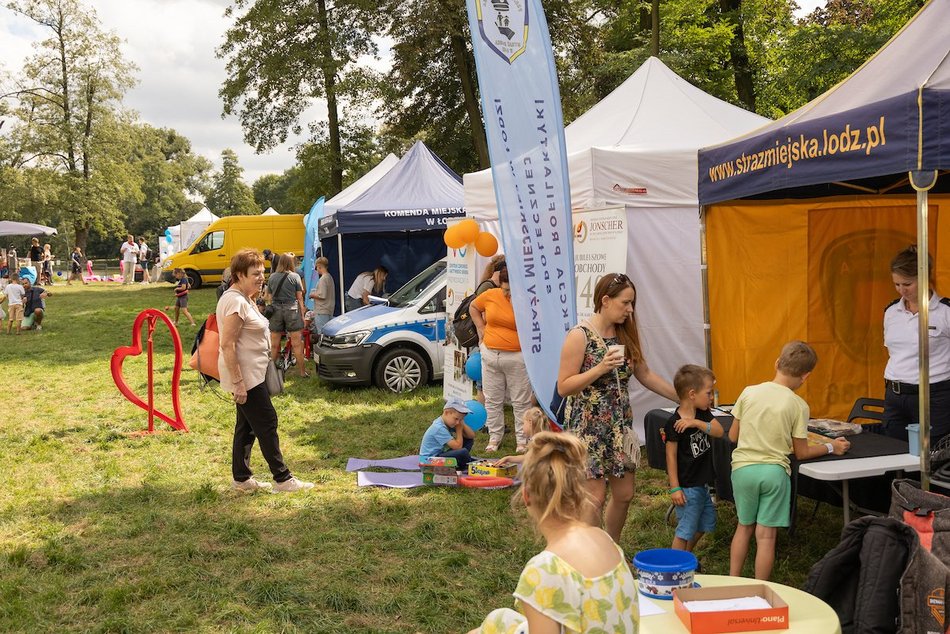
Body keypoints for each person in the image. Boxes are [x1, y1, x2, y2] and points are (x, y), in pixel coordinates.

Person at [468, 432, 639, 634]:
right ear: (579, 491)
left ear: (526, 496)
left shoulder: (546, 569)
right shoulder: (605, 539)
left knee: (492, 625)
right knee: (499, 619)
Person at [557, 273, 677, 543]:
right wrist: (600, 369)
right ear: (606, 300)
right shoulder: (580, 335)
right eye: (626, 303)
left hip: (619, 427)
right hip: (588, 428)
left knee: (624, 495)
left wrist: (682, 397)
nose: (630, 309)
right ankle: (589, 555)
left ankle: (611, 547)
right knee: (594, 497)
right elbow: (564, 386)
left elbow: (645, 374)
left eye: (632, 303)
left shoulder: (625, 333)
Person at [728, 341, 850, 580]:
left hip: (743, 469)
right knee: (766, 537)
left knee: (743, 527)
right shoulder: (798, 405)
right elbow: (801, 452)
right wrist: (830, 446)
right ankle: (759, 589)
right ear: (805, 376)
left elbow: (733, 436)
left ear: (777, 363)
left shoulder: (748, 391)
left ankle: (732, 580)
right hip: (774, 472)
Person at [217, 248, 313, 493]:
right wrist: (238, 382)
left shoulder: (244, 298)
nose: (261, 278)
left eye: (262, 273)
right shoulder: (236, 301)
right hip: (247, 376)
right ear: (239, 275)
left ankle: (242, 479)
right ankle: (283, 479)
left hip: (253, 373)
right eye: (255, 274)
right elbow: (227, 344)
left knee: (246, 426)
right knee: (267, 421)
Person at [883, 245, 950, 446]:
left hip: (934, 395)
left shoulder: (945, 311)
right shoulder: (891, 312)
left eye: (907, 284)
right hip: (895, 393)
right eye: (896, 284)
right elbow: (893, 351)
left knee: (933, 454)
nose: (902, 290)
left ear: (925, 278)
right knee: (892, 451)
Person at [469, 268, 533, 453]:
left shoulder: (527, 300)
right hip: (490, 354)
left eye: (511, 291)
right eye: (504, 289)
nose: (507, 294)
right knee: (492, 399)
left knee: (521, 401)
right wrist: (480, 328)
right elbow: (473, 307)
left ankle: (523, 440)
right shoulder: (490, 295)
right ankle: (494, 437)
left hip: (516, 356)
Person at [664, 364, 725, 553]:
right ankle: (675, 568)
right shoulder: (674, 423)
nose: (711, 397)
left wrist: (697, 423)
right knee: (684, 531)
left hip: (702, 483)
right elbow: (671, 457)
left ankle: (685, 558)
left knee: (706, 523)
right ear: (692, 394)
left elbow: (719, 431)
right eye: (708, 393)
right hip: (687, 487)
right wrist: (675, 488)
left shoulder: (702, 413)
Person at [266, 253, 309, 378]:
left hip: (276, 310)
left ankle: (271, 372)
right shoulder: (295, 276)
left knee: (274, 344)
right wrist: (302, 314)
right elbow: (300, 298)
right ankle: (302, 372)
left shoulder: (272, 277)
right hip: (291, 310)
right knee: (296, 343)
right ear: (291, 263)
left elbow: (269, 296)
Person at [419, 398, 477, 471]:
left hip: (440, 455)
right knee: (463, 452)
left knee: (468, 440)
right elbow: (458, 447)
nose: (458, 422)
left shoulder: (449, 422)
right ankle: (466, 463)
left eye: (461, 419)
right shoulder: (438, 427)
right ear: (446, 413)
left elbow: (471, 436)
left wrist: (462, 424)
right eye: (456, 419)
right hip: (429, 462)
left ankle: (463, 462)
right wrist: (459, 430)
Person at [308, 256, 335, 334]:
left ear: (319, 266)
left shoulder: (323, 279)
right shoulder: (329, 277)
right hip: (329, 308)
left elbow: (322, 295)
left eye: (317, 267)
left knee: (322, 333)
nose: (316, 269)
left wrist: (312, 295)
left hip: (322, 310)